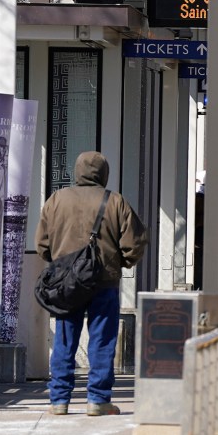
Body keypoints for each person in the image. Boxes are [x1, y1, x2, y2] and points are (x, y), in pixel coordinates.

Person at [36, 151, 147, 416]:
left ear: (77, 172)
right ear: (104, 173)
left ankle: (59, 401)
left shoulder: (56, 200)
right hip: (103, 281)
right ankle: (97, 400)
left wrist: (62, 263)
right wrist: (122, 262)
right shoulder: (115, 201)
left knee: (64, 338)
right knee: (102, 340)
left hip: (66, 285)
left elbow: (42, 244)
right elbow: (136, 242)